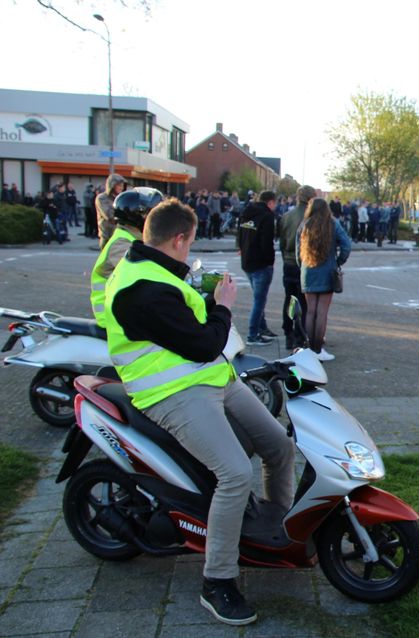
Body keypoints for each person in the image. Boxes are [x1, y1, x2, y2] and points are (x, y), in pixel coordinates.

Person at [104, 198, 294, 626]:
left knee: (279, 447)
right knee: (234, 474)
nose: (190, 250)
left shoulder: (154, 266)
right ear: (178, 239)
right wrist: (224, 304)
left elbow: (192, 329)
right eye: (189, 243)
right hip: (174, 392)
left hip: (212, 379)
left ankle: (274, 532)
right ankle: (218, 581)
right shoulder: (143, 289)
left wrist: (204, 296)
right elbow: (204, 342)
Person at [90, 187, 163, 328]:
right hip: (111, 316)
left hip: (124, 310)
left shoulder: (135, 238)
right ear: (138, 216)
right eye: (152, 215)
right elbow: (145, 275)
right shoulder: (121, 243)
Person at [297, 197, 351, 361]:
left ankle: (309, 348)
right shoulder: (332, 224)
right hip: (327, 271)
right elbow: (346, 245)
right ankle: (318, 350)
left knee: (310, 311)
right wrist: (338, 261)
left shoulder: (304, 225)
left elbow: (297, 251)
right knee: (322, 312)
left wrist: (303, 266)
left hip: (308, 270)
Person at [237, 190, 277, 346]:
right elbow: (267, 242)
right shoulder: (267, 216)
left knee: (258, 298)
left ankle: (263, 327)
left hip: (247, 261)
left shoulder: (246, 212)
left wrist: (241, 248)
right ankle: (253, 335)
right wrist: (270, 261)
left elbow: (239, 235)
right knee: (259, 301)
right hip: (260, 263)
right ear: (270, 202)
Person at [277, 184, 315, 350]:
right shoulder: (311, 217)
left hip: (289, 262)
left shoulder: (286, 216)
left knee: (289, 298)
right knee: (303, 302)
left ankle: (288, 333)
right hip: (304, 262)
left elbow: (282, 241)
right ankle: (300, 336)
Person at [96, 173, 127, 248]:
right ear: (112, 185)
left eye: (122, 185)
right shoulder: (102, 198)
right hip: (107, 236)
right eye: (119, 185)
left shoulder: (121, 198)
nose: (121, 188)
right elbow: (110, 215)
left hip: (120, 236)